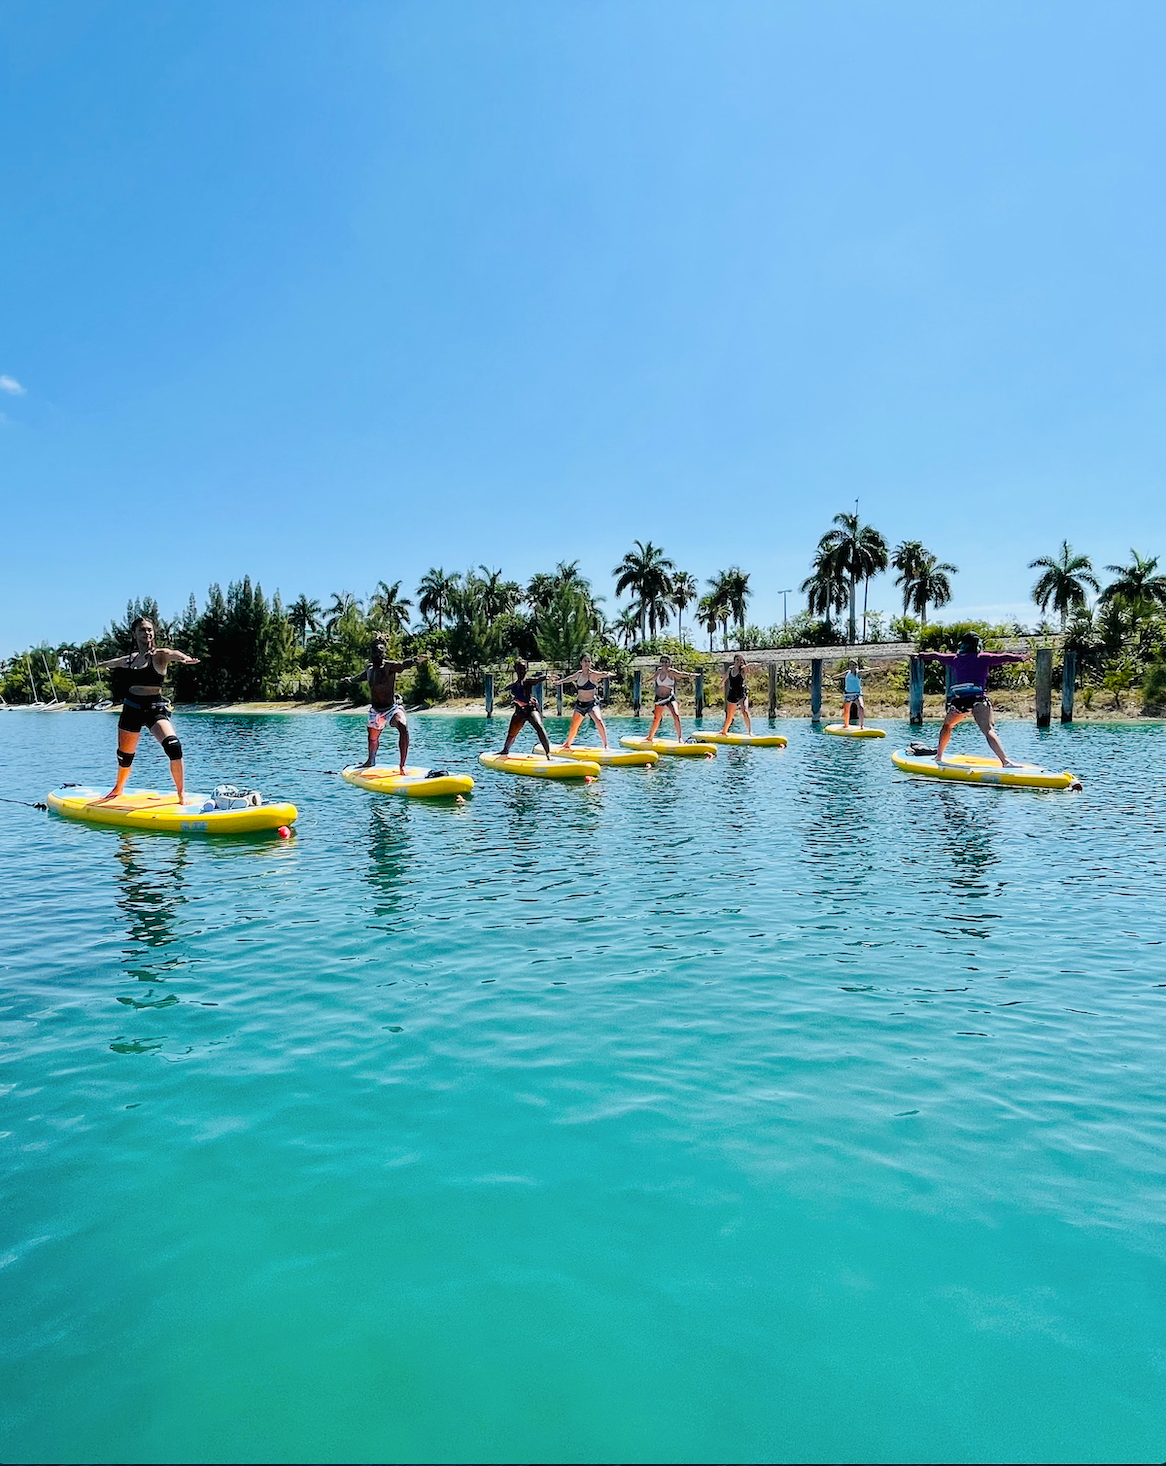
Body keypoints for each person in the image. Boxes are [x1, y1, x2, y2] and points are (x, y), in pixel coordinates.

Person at [95, 616, 199, 803]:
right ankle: (118, 788)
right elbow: (116, 662)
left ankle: (181, 793)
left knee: (174, 746)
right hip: (131, 709)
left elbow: (174, 653)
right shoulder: (131, 659)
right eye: (142, 630)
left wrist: (185, 659)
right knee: (125, 756)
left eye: (149, 629)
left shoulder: (160, 655)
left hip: (154, 709)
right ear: (134, 634)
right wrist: (102, 665)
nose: (147, 633)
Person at [920, 633, 1028, 765]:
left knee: (947, 725)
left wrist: (921, 655)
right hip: (978, 700)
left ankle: (939, 756)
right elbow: (1003, 657)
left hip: (960, 701)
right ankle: (1005, 762)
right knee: (988, 730)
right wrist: (1020, 658)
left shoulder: (955, 659)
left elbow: (936, 655)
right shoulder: (982, 658)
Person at [348, 637, 428, 774]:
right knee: (372, 739)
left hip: (391, 709)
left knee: (402, 726)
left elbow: (403, 665)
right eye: (375, 652)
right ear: (371, 653)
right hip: (375, 711)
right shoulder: (369, 669)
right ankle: (370, 761)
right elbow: (360, 677)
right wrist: (350, 680)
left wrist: (415, 660)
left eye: (381, 652)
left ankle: (402, 766)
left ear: (384, 653)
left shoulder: (389, 666)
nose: (378, 655)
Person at [554, 655, 615, 749]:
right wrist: (560, 682)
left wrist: (608, 673)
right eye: (585, 661)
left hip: (591, 704)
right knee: (574, 726)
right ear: (581, 663)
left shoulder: (593, 674)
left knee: (599, 721)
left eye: (589, 661)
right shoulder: (578, 674)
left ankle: (606, 745)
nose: (587, 663)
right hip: (580, 705)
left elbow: (602, 674)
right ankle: (567, 744)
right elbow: (570, 678)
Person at [500, 660, 553, 758]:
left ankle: (548, 753)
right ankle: (505, 750)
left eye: (523, 669)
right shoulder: (514, 686)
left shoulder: (528, 682)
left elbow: (536, 680)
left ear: (527, 669)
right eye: (519, 669)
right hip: (519, 712)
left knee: (539, 727)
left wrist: (546, 677)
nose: (521, 671)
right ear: (516, 670)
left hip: (530, 710)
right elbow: (509, 692)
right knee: (512, 733)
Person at [646, 655, 698, 741]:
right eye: (663, 662)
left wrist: (690, 675)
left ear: (669, 663)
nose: (664, 664)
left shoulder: (671, 672)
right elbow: (653, 678)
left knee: (676, 715)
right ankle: (650, 737)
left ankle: (680, 738)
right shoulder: (658, 671)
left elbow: (681, 674)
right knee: (657, 718)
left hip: (670, 697)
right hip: (659, 698)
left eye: (666, 662)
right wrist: (645, 682)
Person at [720, 654, 761, 734]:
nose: (739, 662)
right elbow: (726, 677)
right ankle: (724, 731)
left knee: (745, 711)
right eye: (737, 660)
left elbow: (749, 666)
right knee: (729, 715)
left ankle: (750, 732)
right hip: (732, 693)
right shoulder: (730, 669)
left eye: (741, 660)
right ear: (734, 661)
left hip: (741, 693)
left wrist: (756, 664)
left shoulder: (742, 669)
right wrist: (721, 684)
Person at [841, 660, 865, 729]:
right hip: (848, 694)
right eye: (851, 665)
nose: (852, 667)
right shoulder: (847, 673)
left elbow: (867, 671)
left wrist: (876, 669)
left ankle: (861, 725)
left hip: (857, 694)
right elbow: (839, 675)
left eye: (854, 665)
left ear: (856, 666)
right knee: (846, 710)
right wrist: (832, 677)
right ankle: (846, 724)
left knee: (861, 707)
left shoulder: (858, 673)